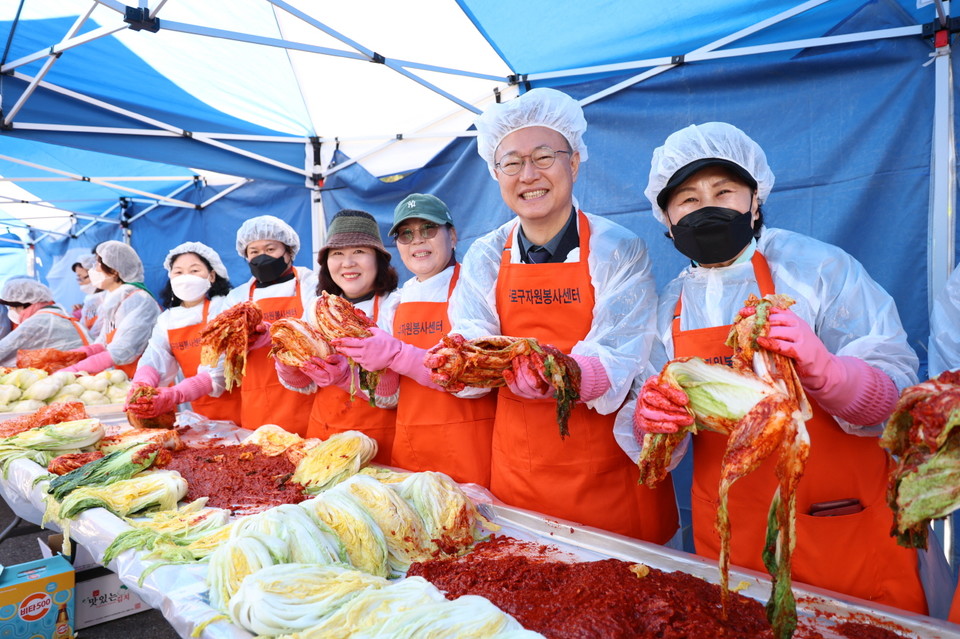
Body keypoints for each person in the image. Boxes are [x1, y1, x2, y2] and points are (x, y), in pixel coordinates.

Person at [624, 121, 929, 613]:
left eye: (724, 191)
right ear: (666, 218)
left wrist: (827, 370)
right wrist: (654, 423)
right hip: (732, 535)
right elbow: (656, 438)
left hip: (834, 526)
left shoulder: (820, 270)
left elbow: (898, 398)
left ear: (755, 200)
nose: (708, 208)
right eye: (688, 200)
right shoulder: (669, 305)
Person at [440, 88, 678, 542]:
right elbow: (470, 340)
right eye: (512, 162)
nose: (528, 174)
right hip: (521, 467)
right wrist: (459, 361)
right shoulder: (487, 255)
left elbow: (621, 350)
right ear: (496, 173)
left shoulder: (617, 248)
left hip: (608, 472)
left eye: (544, 156)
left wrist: (562, 376)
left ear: (573, 162)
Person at [336, 194, 497, 485]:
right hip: (410, 452)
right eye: (406, 234)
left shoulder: (473, 288)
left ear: (453, 235)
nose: (417, 241)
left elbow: (478, 380)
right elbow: (389, 398)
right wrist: (354, 372)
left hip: (468, 453)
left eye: (429, 230)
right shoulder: (397, 302)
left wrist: (400, 355)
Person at [274, 209, 399, 463]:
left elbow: (393, 397)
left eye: (359, 252)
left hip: (378, 445)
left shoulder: (395, 307)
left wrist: (345, 376)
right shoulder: (315, 309)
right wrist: (286, 358)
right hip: (324, 437)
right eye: (337, 254)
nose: (348, 263)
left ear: (379, 259)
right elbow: (304, 385)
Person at [124, 242, 242, 424]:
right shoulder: (168, 319)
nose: (186, 278)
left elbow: (219, 371)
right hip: (200, 411)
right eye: (178, 272)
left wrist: (176, 394)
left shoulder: (223, 308)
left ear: (211, 275)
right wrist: (141, 385)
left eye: (194, 270)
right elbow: (155, 357)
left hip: (239, 407)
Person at [222, 215, 317, 435]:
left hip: (307, 398)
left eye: (270, 249)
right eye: (253, 252)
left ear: (288, 251)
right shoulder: (237, 296)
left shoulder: (311, 283)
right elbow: (223, 354)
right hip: (258, 404)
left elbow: (319, 332)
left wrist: (276, 336)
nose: (261, 257)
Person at [60, 241, 160, 377]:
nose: (93, 270)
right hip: (124, 374)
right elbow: (103, 342)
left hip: (146, 378)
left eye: (97, 264)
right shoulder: (114, 298)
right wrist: (75, 355)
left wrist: (77, 369)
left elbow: (124, 349)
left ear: (113, 271)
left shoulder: (139, 301)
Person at [0, 277, 90, 366]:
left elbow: (4, 348)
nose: (10, 310)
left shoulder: (39, 320)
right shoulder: (56, 311)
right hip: (80, 364)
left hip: (74, 368)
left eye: (12, 307)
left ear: (25, 304)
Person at [72, 254, 104, 338]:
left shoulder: (104, 298)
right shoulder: (90, 299)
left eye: (82, 277)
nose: (80, 282)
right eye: (78, 277)